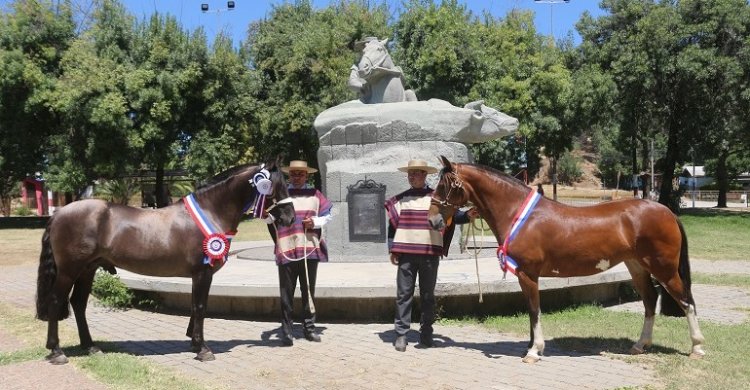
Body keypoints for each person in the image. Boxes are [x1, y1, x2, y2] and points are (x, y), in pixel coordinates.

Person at [384, 159, 478, 352]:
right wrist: (392, 249)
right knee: (403, 295)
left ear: (425, 175)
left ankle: (426, 334)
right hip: (406, 255)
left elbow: (453, 217)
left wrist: (467, 216)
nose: (412, 176)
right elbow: (392, 227)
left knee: (428, 296)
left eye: (417, 172)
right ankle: (401, 334)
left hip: (429, 253)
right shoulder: (400, 199)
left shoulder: (437, 199)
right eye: (410, 173)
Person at [265, 160, 332, 346]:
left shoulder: (315, 195)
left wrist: (315, 222)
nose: (296, 177)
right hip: (286, 248)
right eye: (293, 173)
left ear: (306, 175)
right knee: (286, 292)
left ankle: (309, 328)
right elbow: (271, 218)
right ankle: (287, 331)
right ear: (289, 175)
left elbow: (328, 214)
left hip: (308, 248)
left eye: (300, 174)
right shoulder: (281, 195)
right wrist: (265, 215)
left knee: (308, 291)